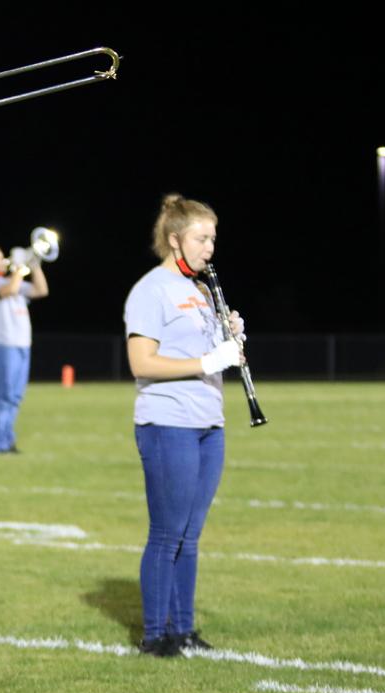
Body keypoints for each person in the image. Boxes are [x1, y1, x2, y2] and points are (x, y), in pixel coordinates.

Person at [123, 194, 245, 657]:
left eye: (213, 238)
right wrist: (208, 360)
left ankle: (185, 629)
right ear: (175, 239)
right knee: (167, 533)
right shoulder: (151, 290)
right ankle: (156, 635)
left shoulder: (202, 290)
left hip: (209, 422)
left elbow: (206, 353)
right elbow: (142, 362)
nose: (209, 248)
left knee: (190, 536)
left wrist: (229, 338)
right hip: (168, 422)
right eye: (201, 238)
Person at [0, 243, 49, 453]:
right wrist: (19, 268)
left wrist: (35, 265)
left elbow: (41, 290)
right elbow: (11, 290)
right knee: (3, 395)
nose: (3, 259)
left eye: (2, 256)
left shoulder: (11, 279)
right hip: (2, 345)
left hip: (22, 344)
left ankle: (7, 440)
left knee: (15, 396)